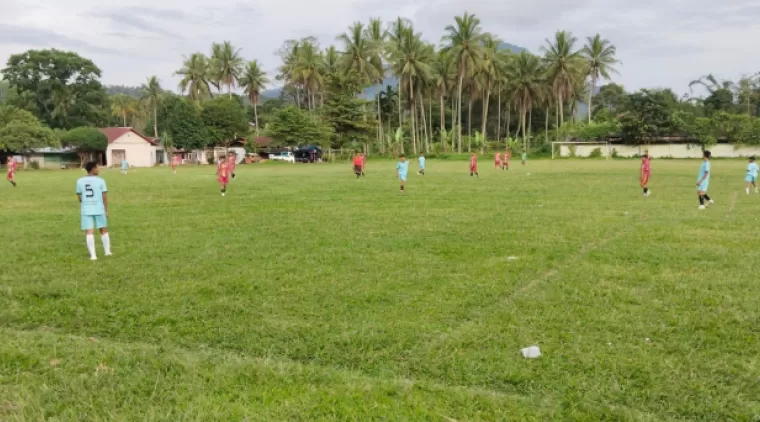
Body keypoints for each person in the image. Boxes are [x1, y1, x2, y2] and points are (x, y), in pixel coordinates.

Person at [76, 161, 111, 260]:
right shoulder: (101, 181)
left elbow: (79, 196)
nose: (99, 169)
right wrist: (106, 210)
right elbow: (104, 196)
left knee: (89, 231)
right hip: (99, 208)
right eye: (97, 168)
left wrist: (85, 202)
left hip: (86, 209)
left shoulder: (79, 181)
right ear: (92, 169)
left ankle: (93, 255)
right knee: (103, 229)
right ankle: (107, 252)